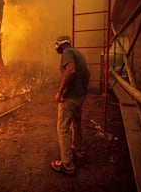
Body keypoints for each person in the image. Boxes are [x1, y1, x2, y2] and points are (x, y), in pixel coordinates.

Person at [51, 35, 90, 175]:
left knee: (63, 129)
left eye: (56, 44)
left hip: (70, 98)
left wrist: (60, 91)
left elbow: (71, 70)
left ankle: (67, 165)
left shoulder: (67, 52)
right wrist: (84, 91)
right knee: (76, 124)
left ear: (60, 44)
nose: (55, 47)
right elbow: (88, 74)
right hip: (80, 97)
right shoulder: (78, 53)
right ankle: (79, 150)